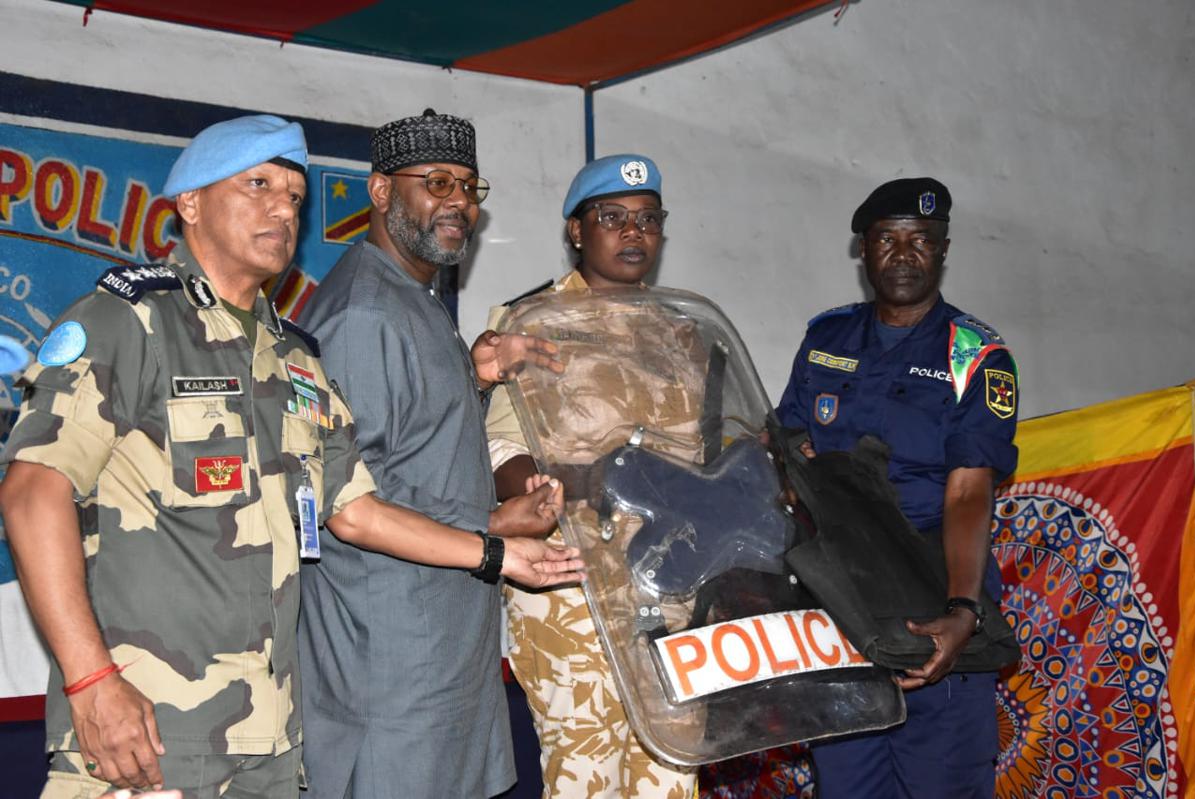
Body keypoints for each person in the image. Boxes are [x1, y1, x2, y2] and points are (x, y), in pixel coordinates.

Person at [0, 114, 580, 799]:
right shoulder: (127, 324)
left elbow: (355, 510)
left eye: (296, 196)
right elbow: (32, 492)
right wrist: (91, 680)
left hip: (272, 741)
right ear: (189, 204)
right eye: (258, 184)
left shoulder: (296, 359)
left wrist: (497, 552)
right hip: (150, 730)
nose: (282, 207)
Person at [295, 109, 564, 799]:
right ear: (380, 193)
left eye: (470, 187)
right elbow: (351, 506)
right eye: (437, 181)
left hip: (444, 665)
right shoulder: (364, 313)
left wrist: (475, 381)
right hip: (389, 677)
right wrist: (496, 535)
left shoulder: (414, 298)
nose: (459, 203)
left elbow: (411, 454)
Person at [775, 177, 1019, 798]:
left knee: (942, 781)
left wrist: (964, 610)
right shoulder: (826, 338)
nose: (904, 254)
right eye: (888, 238)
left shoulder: (977, 355)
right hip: (844, 602)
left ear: (942, 251)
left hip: (931, 593)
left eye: (922, 240)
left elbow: (968, 492)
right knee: (847, 782)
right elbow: (787, 448)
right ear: (864, 247)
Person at [486, 154, 701, 798]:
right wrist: (546, 493)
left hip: (670, 592)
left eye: (647, 220)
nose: (633, 233)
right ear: (576, 231)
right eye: (613, 218)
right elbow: (501, 448)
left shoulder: (683, 335)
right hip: (572, 586)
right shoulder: (530, 323)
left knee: (672, 778)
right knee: (587, 780)